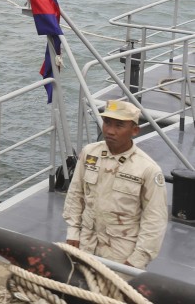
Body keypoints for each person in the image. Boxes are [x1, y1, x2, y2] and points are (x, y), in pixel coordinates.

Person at [62, 99, 168, 268]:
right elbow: (76, 194)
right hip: (85, 244)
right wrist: (73, 231)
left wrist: (137, 260)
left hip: (121, 254)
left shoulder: (147, 169)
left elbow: (155, 220)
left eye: (119, 125)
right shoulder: (90, 153)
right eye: (107, 122)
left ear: (134, 130)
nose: (110, 131)